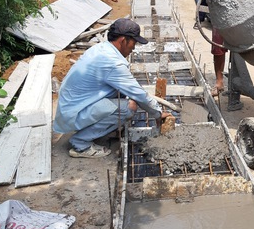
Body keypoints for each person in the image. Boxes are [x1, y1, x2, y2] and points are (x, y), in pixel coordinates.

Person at [54, 18, 170, 158]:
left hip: (73, 106)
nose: (134, 47)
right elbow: (138, 94)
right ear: (123, 40)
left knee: (120, 95)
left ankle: (99, 127)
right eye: (133, 42)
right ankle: (81, 143)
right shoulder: (112, 62)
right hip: (75, 113)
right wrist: (157, 113)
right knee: (129, 107)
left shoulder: (102, 49)